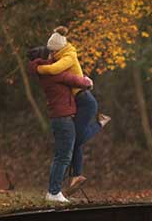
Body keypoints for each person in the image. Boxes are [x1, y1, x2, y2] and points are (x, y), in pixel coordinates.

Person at [33, 28, 110, 193]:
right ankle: (76, 176)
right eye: (50, 51)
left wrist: (38, 68)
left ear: (59, 48)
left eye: (53, 50)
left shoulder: (68, 56)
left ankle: (99, 123)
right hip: (78, 101)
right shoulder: (59, 57)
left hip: (85, 101)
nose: (51, 53)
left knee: (77, 139)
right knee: (73, 140)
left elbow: (55, 71)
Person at [30, 40, 92, 203]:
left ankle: (54, 191)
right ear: (46, 57)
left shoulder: (44, 73)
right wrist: (87, 81)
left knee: (61, 155)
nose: (53, 56)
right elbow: (76, 80)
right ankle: (53, 191)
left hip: (59, 118)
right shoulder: (54, 73)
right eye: (51, 54)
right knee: (63, 157)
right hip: (63, 119)